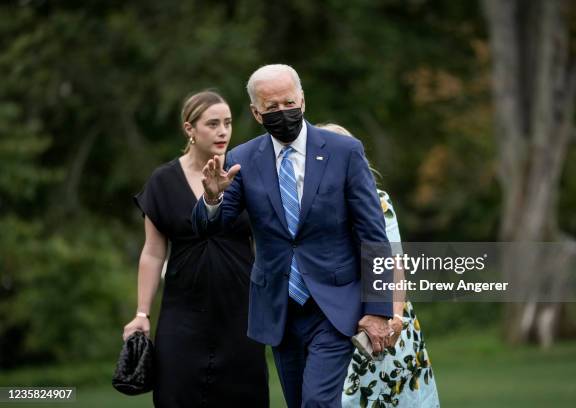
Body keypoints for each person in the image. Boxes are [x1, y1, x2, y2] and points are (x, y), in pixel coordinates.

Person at [192, 64, 394, 408]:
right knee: (299, 401)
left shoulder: (344, 152)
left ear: (302, 99)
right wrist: (212, 198)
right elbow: (210, 228)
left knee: (317, 401)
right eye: (271, 108)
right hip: (279, 309)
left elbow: (373, 234)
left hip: (335, 305)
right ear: (256, 113)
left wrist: (378, 309)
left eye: (288, 103)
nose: (282, 112)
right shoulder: (242, 159)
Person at [122, 90, 269, 407]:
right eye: (212, 123)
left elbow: (269, 240)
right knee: (178, 396)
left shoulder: (245, 175)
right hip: (183, 315)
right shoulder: (163, 181)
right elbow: (152, 251)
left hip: (241, 312)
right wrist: (141, 313)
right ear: (189, 129)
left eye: (228, 123)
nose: (223, 131)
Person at [317, 123, 440, 408]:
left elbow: (394, 264)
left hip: (378, 314)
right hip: (332, 317)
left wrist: (393, 319)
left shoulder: (376, 201)